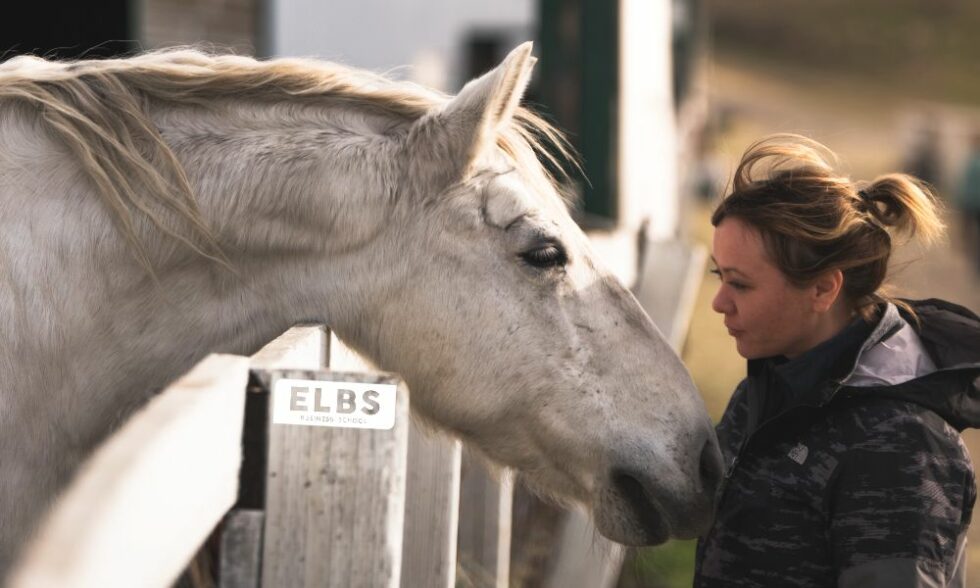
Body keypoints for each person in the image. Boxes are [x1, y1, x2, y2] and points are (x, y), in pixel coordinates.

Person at [694, 134, 980, 587]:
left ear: (824, 288)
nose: (719, 303)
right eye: (719, 276)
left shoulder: (900, 447)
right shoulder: (765, 390)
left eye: (740, 284)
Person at [955, 133, 980, 273]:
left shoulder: (970, 161)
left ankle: (973, 260)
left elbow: (963, 185)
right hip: (974, 204)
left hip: (969, 204)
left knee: (969, 234)